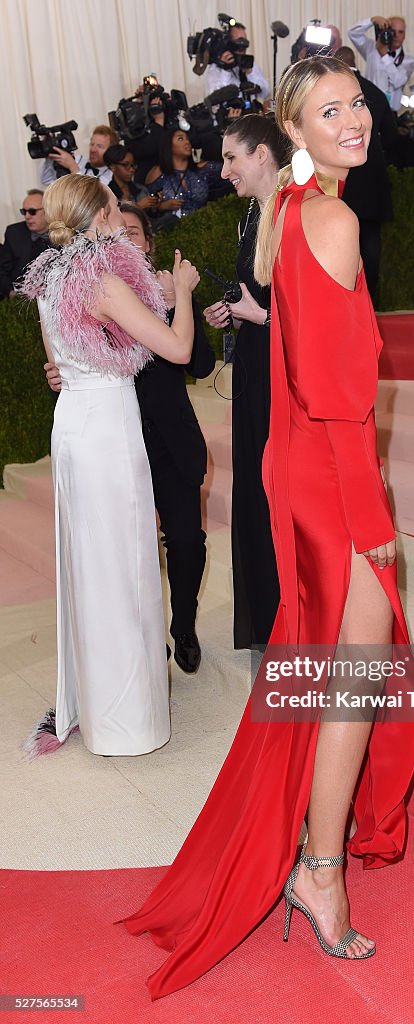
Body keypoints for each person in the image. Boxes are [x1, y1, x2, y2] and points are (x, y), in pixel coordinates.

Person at [122, 56, 414, 998]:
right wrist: (373, 519)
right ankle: (319, 876)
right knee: (351, 677)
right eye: (328, 111)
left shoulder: (288, 213)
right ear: (293, 129)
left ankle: (311, 852)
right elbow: (336, 397)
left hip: (300, 470)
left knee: (332, 666)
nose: (354, 120)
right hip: (333, 479)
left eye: (357, 103)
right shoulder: (327, 218)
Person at [20, 175, 199, 756]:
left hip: (72, 425)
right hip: (108, 429)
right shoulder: (98, 279)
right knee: (121, 564)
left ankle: (98, 709)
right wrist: (185, 294)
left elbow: (59, 365)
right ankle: (128, 720)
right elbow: (177, 350)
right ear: (100, 218)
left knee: (89, 563)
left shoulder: (49, 279)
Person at [44, 202, 215, 672]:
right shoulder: (94, 290)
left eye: (137, 233)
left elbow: (197, 363)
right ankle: (142, 636)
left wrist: (178, 301)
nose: (129, 238)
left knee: (186, 541)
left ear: (148, 244)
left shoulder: (159, 291)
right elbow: (77, 351)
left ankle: (184, 625)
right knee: (127, 545)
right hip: (117, 437)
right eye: (124, 227)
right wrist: (62, 370)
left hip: (170, 440)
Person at [203, 114, 286, 649]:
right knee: (258, 486)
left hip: (287, 375)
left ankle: (291, 617)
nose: (224, 168)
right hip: (257, 367)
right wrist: (235, 313)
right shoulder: (253, 216)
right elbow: (262, 301)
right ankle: (267, 616)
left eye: (232, 156)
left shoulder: (295, 212)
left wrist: (257, 317)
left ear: (261, 154)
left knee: (281, 489)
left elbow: (319, 318)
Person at [335, 45, 397, 299]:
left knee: (341, 246)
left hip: (343, 183)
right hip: (372, 184)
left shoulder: (332, 94)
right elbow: (392, 139)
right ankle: (369, 302)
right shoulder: (376, 93)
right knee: (370, 248)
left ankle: (346, 301)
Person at [145, 128, 227, 218]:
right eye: (180, 139)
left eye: (188, 139)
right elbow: (147, 209)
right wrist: (162, 206)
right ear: (168, 145)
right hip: (171, 229)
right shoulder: (157, 173)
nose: (187, 142)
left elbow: (228, 169)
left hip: (204, 225)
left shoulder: (203, 170)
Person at [348, 15, 414, 111]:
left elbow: (398, 81)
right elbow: (352, 33)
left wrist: (384, 55)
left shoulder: (408, 60)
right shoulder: (371, 48)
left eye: (400, 32)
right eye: (393, 31)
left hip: (391, 112)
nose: (396, 35)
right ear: (386, 30)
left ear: (404, 35)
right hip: (369, 109)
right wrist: (371, 21)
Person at [0, 190, 50, 299]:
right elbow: (2, 269)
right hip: (17, 297)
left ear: (47, 211)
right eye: (24, 211)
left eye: (32, 211)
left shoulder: (63, 234)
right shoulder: (14, 232)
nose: (27, 216)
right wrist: (10, 292)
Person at [206, 20, 270, 101]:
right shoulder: (215, 68)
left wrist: (250, 73)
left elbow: (265, 93)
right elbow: (214, 96)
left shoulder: (248, 63)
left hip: (250, 111)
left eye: (245, 42)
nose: (242, 48)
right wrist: (226, 70)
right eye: (239, 42)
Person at [40, 124, 116, 187]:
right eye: (92, 144)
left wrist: (73, 168)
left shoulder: (112, 176)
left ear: (111, 150)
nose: (93, 150)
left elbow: (88, 197)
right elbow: (47, 180)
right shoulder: (79, 160)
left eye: (99, 146)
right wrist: (50, 153)